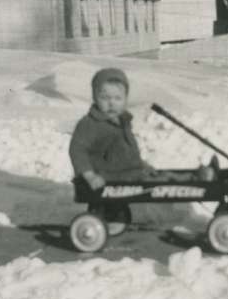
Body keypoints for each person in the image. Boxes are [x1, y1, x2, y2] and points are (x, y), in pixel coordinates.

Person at [69, 67, 212, 233]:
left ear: (125, 99)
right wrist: (90, 175)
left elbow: (124, 151)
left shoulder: (121, 121)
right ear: (94, 97)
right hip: (111, 177)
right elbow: (77, 150)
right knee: (163, 183)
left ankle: (199, 176)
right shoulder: (90, 124)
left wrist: (140, 163)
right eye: (104, 97)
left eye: (117, 98)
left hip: (130, 172)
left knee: (161, 176)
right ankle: (200, 179)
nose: (111, 103)